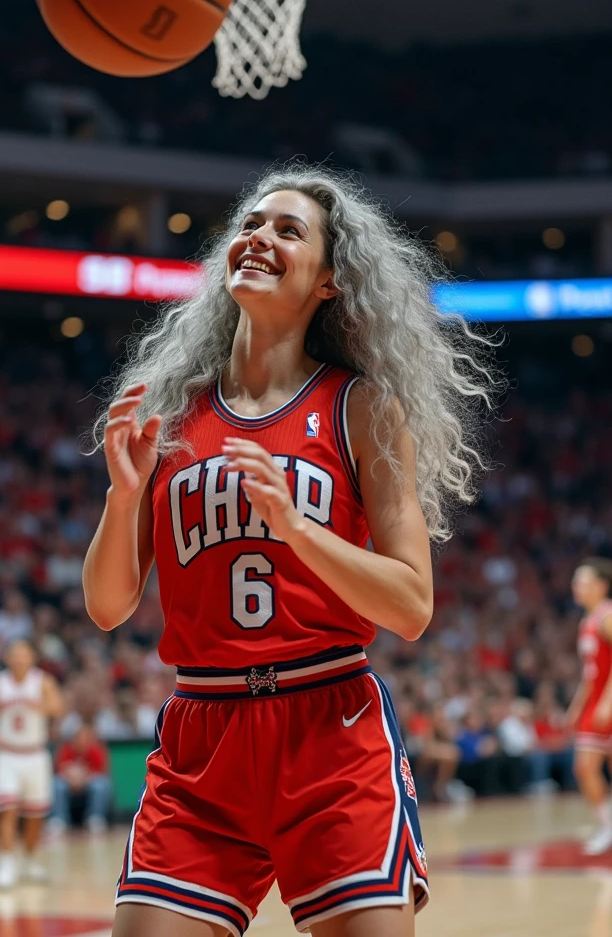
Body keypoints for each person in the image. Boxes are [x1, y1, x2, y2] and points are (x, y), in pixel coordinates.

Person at [84, 165, 493, 937]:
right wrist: (125, 495)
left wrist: (297, 528)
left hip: (329, 729)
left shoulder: (363, 407)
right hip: (202, 735)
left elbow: (411, 604)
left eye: (287, 229)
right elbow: (107, 606)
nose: (259, 237)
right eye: (251, 223)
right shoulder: (170, 413)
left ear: (331, 281)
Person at [0, 638, 64, 888]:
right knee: (7, 809)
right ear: (7, 658)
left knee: (35, 815)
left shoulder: (43, 682)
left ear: (32, 657)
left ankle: (31, 860)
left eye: (24, 654)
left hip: (35, 753)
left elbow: (58, 708)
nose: (19, 659)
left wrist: (42, 705)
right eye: (15, 654)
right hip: (7, 754)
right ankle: (6, 863)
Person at [566, 557, 612, 854]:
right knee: (584, 768)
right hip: (595, 702)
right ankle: (607, 825)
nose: (576, 587)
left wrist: (608, 701)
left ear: (601, 586)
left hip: (607, 701)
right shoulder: (587, 621)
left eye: (583, 582)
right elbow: (590, 673)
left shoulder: (608, 616)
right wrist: (575, 707)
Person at [51, 723, 112, 833]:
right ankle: (59, 820)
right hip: (69, 783)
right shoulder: (66, 749)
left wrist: (83, 777)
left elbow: (101, 771)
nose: (81, 741)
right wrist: (72, 778)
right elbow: (59, 770)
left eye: (85, 738)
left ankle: (95, 818)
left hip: (88, 783)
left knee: (100, 784)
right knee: (57, 784)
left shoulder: (95, 750)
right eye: (79, 738)